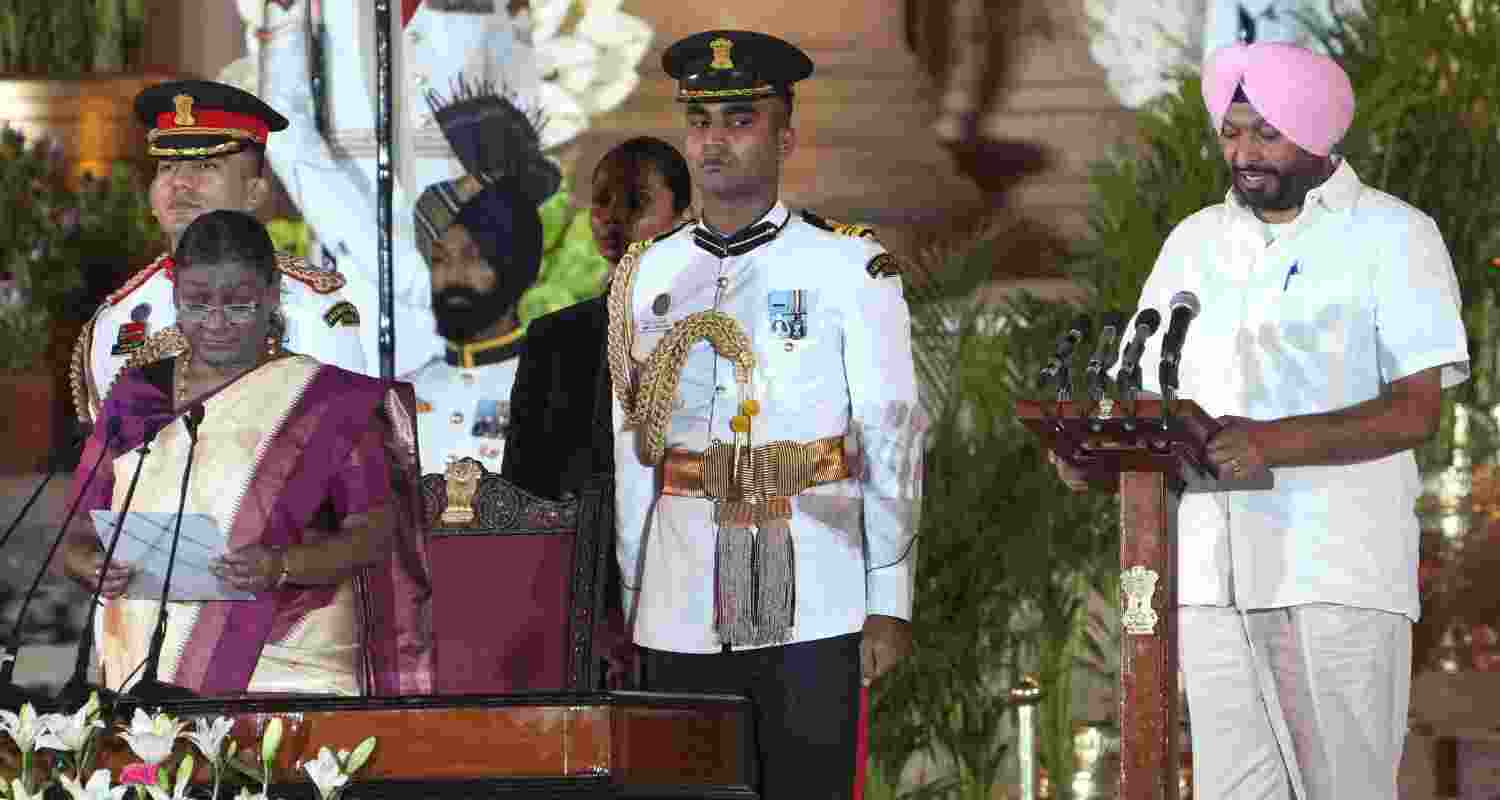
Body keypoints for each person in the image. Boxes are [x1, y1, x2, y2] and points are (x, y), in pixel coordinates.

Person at [1051, 42, 1468, 800]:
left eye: (1266, 134)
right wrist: (1095, 451)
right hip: (1210, 575)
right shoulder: (1195, 241)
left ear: (1318, 132)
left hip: (1335, 571)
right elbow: (1142, 386)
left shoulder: (1395, 235)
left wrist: (1269, 442)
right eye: (1231, 133)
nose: (1243, 152)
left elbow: (1418, 408)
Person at [607, 31, 925, 798]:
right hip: (678, 594)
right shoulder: (647, 272)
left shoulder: (849, 266)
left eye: (740, 119)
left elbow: (893, 437)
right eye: (702, 119)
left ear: (784, 135)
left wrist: (889, 600)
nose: (715, 139)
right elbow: (631, 447)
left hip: (813, 591)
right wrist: (632, 591)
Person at [55, 210, 433, 697]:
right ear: (174, 295)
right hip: (142, 669)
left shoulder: (325, 401)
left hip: (287, 663)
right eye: (196, 303)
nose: (215, 322)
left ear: (273, 294)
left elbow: (376, 532)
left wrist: (282, 564)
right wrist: (88, 562)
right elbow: (81, 530)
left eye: (239, 305)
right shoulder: (136, 394)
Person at [501, 137, 692, 689]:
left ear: (682, 216)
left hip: (692, 589)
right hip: (582, 596)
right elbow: (526, 488)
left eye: (634, 202)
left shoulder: (712, 332)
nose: (611, 219)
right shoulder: (554, 338)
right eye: (601, 201)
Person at [69, 80, 366, 426]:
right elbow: (108, 467)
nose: (179, 181)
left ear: (254, 193)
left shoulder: (311, 307)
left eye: (205, 166)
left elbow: (346, 448)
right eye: (167, 166)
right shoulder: (119, 317)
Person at [401, 81, 558, 475]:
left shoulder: (555, 391)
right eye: (439, 259)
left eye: (473, 257)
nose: (452, 276)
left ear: (514, 266)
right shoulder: (402, 397)